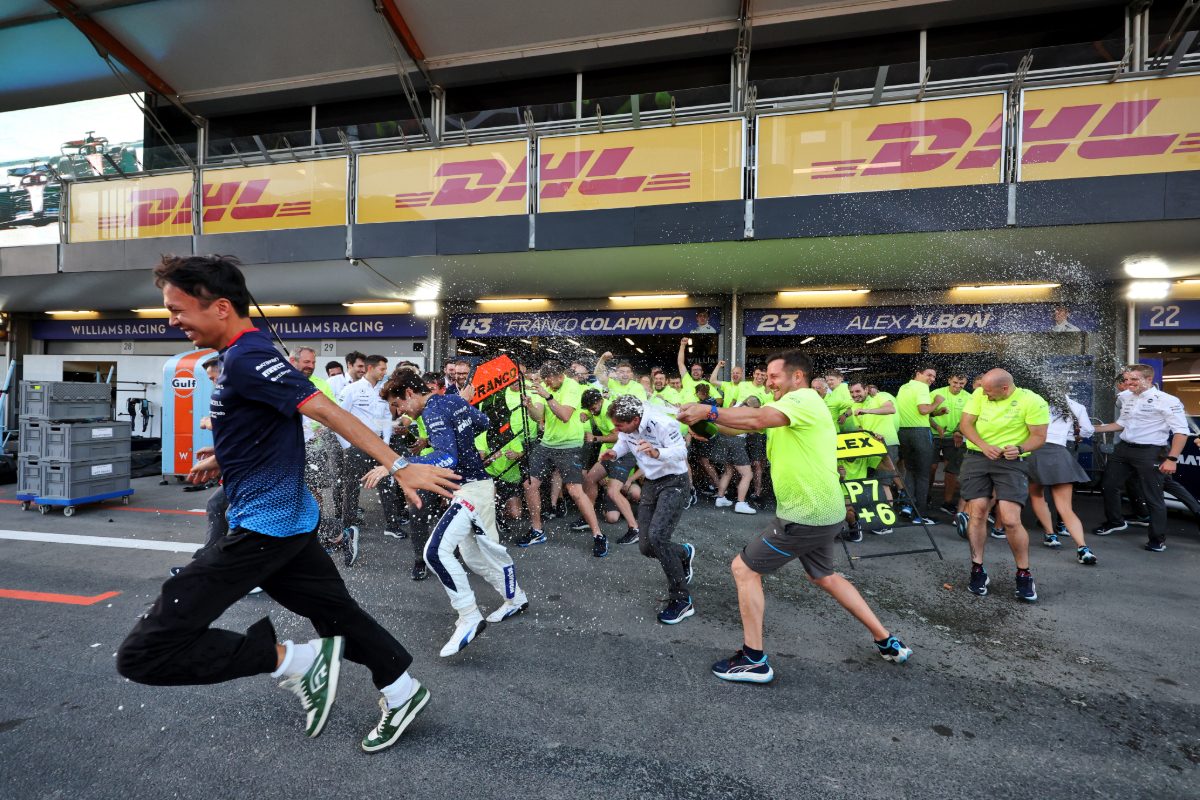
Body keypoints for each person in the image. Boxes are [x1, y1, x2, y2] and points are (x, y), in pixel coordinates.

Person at [117, 254, 458, 753]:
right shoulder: (242, 357)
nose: (172, 321)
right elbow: (270, 424)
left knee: (144, 654)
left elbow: (322, 408)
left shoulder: (249, 357)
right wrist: (228, 458)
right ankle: (401, 691)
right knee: (339, 616)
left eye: (177, 309)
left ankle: (296, 662)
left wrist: (398, 463)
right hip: (289, 523)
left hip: (262, 529)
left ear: (221, 308)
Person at [678, 350, 912, 683]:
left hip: (807, 513)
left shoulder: (802, 399)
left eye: (773, 377)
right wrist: (707, 425)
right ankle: (886, 640)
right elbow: (743, 426)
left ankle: (754, 659)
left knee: (743, 569)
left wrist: (710, 409)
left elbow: (755, 420)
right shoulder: (788, 408)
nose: (768, 382)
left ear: (796, 377)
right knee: (824, 576)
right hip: (822, 511)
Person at [368, 370, 530, 657]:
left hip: (470, 490)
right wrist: (459, 436)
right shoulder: (452, 401)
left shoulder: (433, 410)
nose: (400, 412)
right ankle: (515, 598)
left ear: (409, 393)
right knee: (476, 557)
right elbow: (483, 422)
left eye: (398, 405)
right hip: (475, 486)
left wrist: (395, 463)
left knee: (435, 553)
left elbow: (447, 458)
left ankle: (469, 616)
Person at [958, 369, 1049, 601]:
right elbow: (966, 425)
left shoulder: (1032, 401)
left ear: (1005, 389)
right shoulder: (979, 394)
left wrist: (1019, 448)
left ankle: (1023, 573)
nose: (984, 395)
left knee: (1010, 519)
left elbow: (1038, 437)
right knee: (977, 512)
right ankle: (977, 568)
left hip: (1011, 462)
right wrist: (983, 444)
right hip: (978, 457)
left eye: (989, 392)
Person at [603, 395, 696, 624]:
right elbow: (624, 440)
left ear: (636, 419)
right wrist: (615, 452)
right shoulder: (626, 426)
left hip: (674, 481)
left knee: (658, 538)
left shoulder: (663, 423)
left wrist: (657, 453)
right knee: (646, 546)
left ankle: (682, 601)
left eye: (619, 425)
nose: (616, 429)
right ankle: (683, 553)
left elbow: (681, 451)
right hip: (652, 483)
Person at [1093, 364, 1189, 552]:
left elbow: (1181, 432)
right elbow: (1121, 423)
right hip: (1124, 449)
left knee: (1153, 497)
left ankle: (1157, 539)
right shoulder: (1126, 397)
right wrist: (1093, 429)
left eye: (1134, 380)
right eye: (1126, 379)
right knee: (1109, 485)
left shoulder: (1168, 400)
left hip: (1150, 452)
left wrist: (1172, 459)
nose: (1128, 383)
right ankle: (1115, 522)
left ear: (1148, 380)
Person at [515, 361, 608, 556]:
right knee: (529, 485)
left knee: (574, 491)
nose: (548, 383)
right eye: (545, 380)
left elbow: (565, 415)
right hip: (547, 444)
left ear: (560, 376)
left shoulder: (571, 386)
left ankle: (598, 534)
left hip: (570, 445)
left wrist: (547, 396)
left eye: (551, 380)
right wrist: (530, 405)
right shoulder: (545, 387)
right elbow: (538, 416)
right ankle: (537, 530)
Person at [334, 354, 406, 560]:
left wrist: (386, 443)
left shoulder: (383, 391)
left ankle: (392, 525)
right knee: (351, 487)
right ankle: (348, 527)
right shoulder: (351, 390)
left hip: (378, 444)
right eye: (382, 369)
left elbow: (385, 417)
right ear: (370, 368)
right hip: (356, 445)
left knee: (387, 483)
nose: (385, 372)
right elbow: (338, 418)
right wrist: (347, 445)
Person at [1027, 390, 1097, 564]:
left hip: (1035, 452)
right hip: (1060, 453)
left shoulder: (1034, 403)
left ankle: (1050, 535)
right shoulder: (1076, 406)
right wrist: (1074, 435)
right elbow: (1088, 430)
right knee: (1066, 507)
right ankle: (1083, 547)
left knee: (1037, 496)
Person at [577, 388, 641, 544]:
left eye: (593, 407)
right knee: (590, 477)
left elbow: (618, 436)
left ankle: (635, 529)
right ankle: (588, 515)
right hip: (613, 452)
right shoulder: (596, 408)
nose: (592, 410)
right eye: (589, 409)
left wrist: (596, 438)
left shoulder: (607, 410)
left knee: (613, 492)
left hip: (626, 452)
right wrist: (588, 415)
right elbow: (591, 411)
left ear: (600, 401)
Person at [895, 366, 944, 524]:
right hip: (920, 434)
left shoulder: (904, 387)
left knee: (910, 471)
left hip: (903, 432)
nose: (932, 379)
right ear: (918, 374)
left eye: (934, 377)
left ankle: (908, 506)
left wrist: (935, 413)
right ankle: (921, 515)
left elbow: (915, 411)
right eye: (929, 375)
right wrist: (937, 402)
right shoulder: (922, 387)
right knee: (923, 474)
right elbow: (923, 410)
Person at [930, 372, 970, 516]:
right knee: (931, 467)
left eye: (961, 384)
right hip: (934, 435)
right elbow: (925, 414)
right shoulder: (936, 393)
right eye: (955, 383)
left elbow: (968, 418)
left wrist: (959, 431)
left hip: (954, 438)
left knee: (951, 471)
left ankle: (947, 502)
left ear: (965, 383)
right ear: (949, 380)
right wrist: (937, 427)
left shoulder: (968, 397)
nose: (957, 386)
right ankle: (927, 497)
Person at [676, 337, 721, 403]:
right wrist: (682, 345)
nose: (695, 371)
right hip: (682, 411)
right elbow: (680, 363)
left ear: (702, 372)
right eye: (693, 370)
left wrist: (705, 403)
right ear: (691, 372)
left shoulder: (706, 385)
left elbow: (719, 399)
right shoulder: (686, 379)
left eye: (698, 370)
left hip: (698, 412)